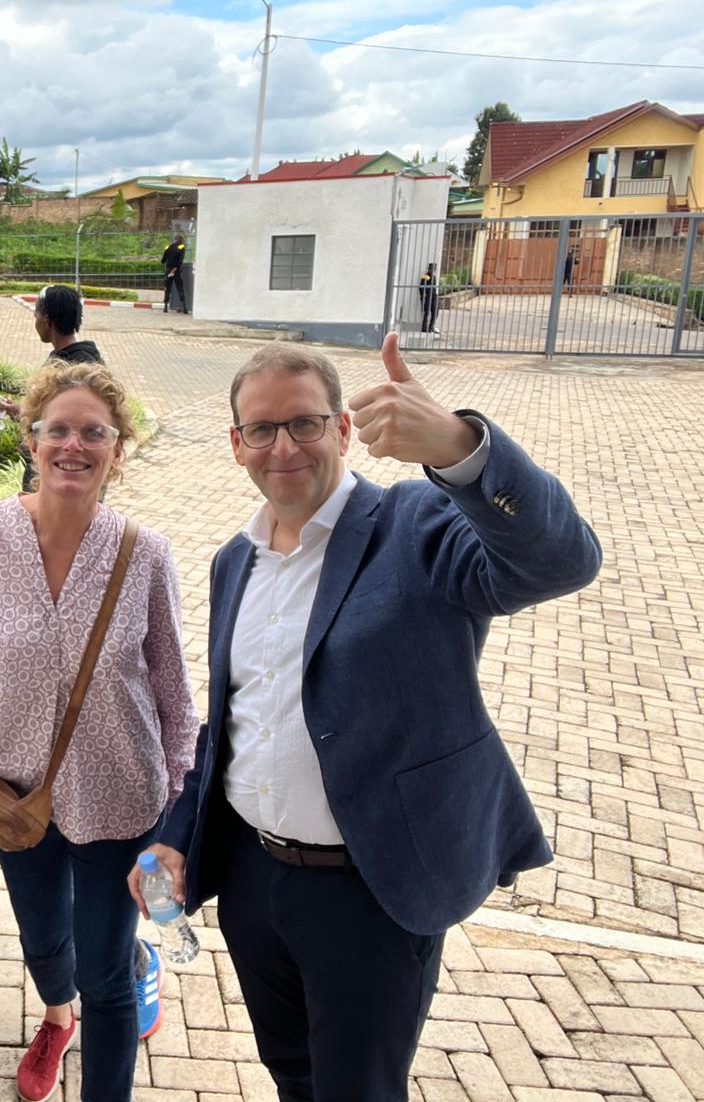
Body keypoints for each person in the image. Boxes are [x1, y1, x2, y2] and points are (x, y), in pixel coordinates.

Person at [149, 338, 602, 1102]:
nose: (283, 446)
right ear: (235, 445)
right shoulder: (236, 560)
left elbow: (560, 561)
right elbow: (232, 720)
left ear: (343, 430)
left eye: (304, 423)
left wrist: (462, 451)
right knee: (290, 1069)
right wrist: (175, 829)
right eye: (261, 429)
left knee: (358, 1089)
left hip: (371, 891)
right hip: (256, 884)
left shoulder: (414, 525)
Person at [0, 361, 199, 1102]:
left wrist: (175, 819)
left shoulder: (147, 554)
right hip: (13, 798)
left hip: (119, 801)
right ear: (31, 440)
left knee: (104, 975)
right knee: (45, 946)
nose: (74, 445)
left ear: (117, 450)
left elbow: (174, 695)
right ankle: (54, 1014)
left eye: (93, 433)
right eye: (58, 430)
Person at [0, 285, 102, 430]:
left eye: (36, 315)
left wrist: (22, 412)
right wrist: (17, 410)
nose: (35, 321)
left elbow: (71, 422)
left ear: (46, 321)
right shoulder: (66, 356)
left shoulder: (78, 369)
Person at [161, 236, 187, 312]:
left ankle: (165, 307)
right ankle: (185, 307)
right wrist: (175, 268)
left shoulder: (167, 247)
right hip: (177, 270)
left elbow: (163, 261)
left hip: (168, 270)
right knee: (180, 287)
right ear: (181, 240)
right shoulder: (181, 248)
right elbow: (180, 261)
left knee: (167, 288)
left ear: (174, 240)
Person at [419, 262, 440, 335]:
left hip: (434, 296)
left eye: (433, 269)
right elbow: (421, 287)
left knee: (435, 312)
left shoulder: (434, 276)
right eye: (431, 269)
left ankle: (431, 326)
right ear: (429, 269)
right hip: (428, 296)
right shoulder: (425, 276)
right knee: (427, 312)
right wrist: (423, 297)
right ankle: (424, 328)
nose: (432, 270)